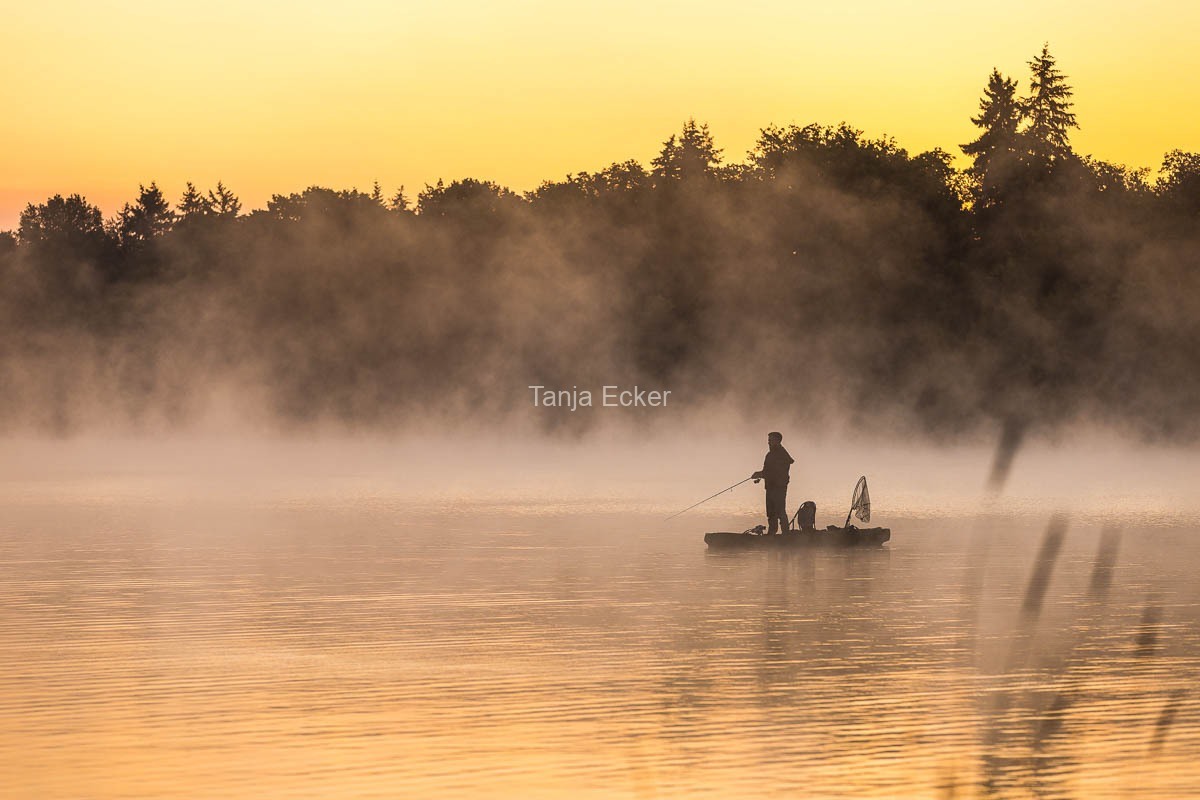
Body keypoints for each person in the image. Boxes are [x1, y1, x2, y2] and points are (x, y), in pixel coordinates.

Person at [751, 431, 794, 534]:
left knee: (780, 511)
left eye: (771, 440)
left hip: (779, 488)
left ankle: (785, 535)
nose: (768, 442)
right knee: (771, 513)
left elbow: (775, 472)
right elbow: (768, 471)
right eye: (768, 440)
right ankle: (772, 534)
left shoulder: (781, 454)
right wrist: (760, 476)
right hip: (771, 487)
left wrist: (760, 474)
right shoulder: (771, 454)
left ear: (777, 441)